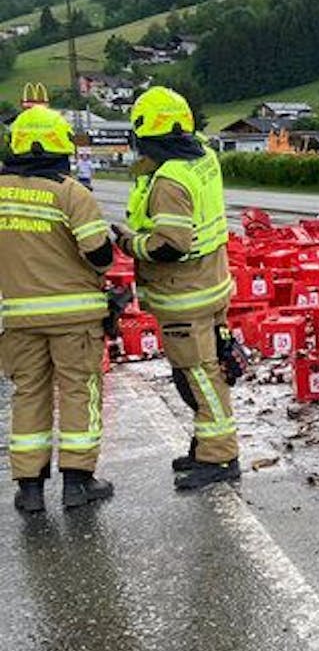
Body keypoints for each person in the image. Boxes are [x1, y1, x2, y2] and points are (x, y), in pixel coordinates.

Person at [112, 87, 241, 490]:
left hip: (186, 295)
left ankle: (220, 458)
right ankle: (207, 444)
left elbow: (170, 244)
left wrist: (129, 243)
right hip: (212, 284)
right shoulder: (202, 156)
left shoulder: (169, 180)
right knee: (209, 369)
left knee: (199, 375)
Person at [0, 106, 117, 513]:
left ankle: (29, 490)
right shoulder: (69, 191)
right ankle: (77, 483)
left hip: (18, 317)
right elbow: (100, 255)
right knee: (78, 393)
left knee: (28, 394)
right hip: (75, 317)